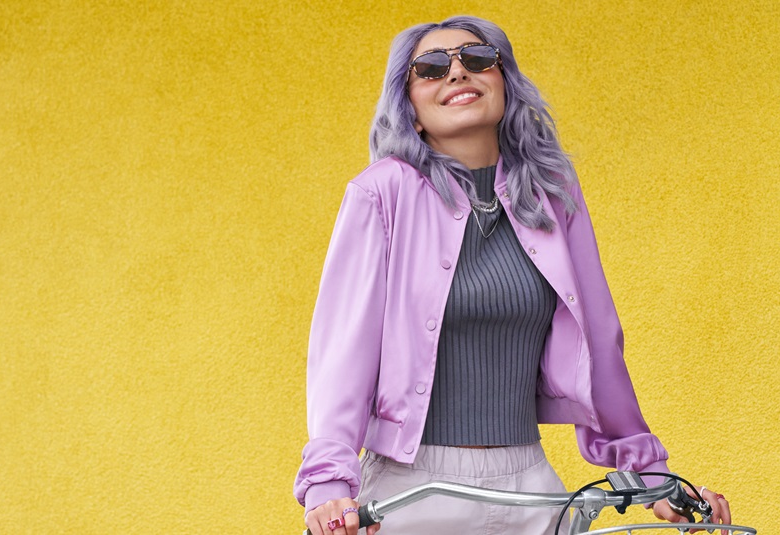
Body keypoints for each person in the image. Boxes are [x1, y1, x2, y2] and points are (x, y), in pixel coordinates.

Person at [294, 15, 732, 535]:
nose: (457, 73)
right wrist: (328, 484)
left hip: (530, 486)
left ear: (504, 83)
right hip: (414, 489)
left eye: (477, 59)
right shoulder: (381, 193)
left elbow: (599, 338)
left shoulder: (552, 193)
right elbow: (344, 349)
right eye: (431, 69)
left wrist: (652, 475)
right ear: (409, 109)